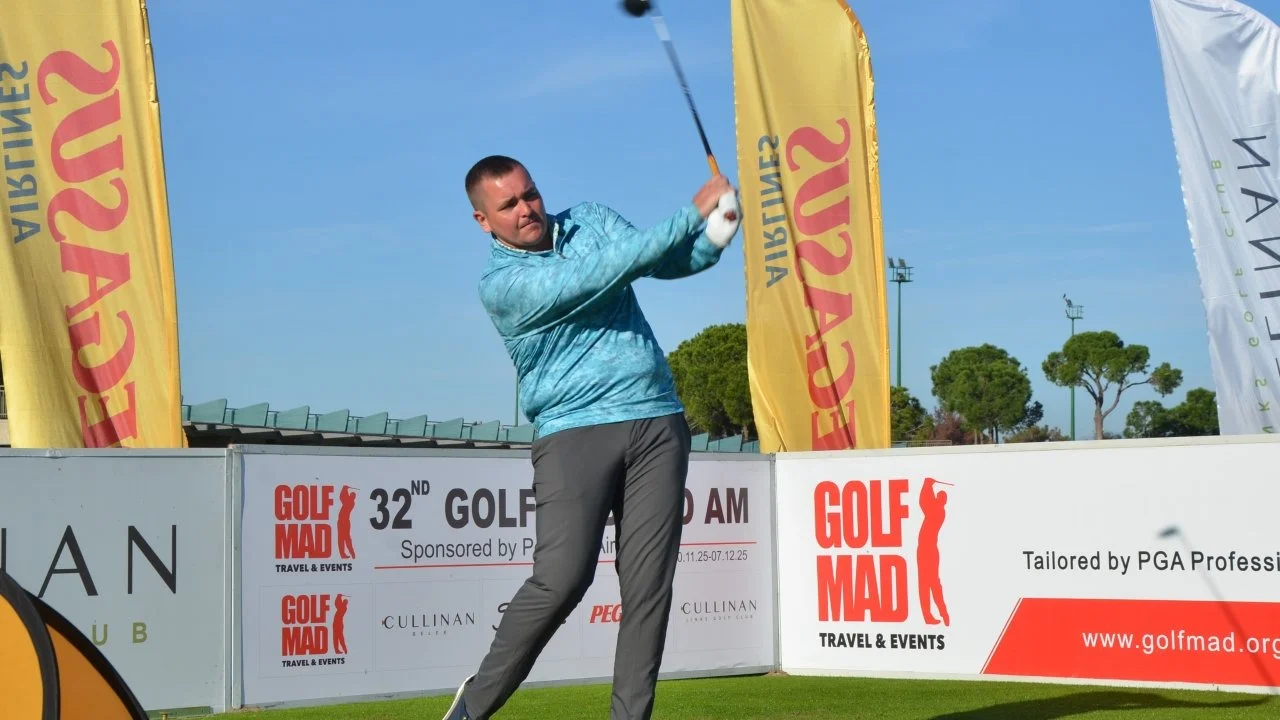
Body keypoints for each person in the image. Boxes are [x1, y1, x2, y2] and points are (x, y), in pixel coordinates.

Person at [441, 155, 740, 720]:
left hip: (657, 419)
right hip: (573, 432)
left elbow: (663, 260)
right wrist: (691, 211)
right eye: (509, 204)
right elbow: (601, 273)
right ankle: (471, 709)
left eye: (530, 193)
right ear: (483, 221)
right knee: (561, 580)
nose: (527, 209)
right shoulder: (501, 285)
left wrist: (717, 233)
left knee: (648, 587)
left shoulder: (592, 220)